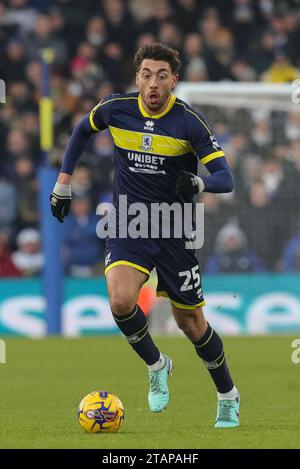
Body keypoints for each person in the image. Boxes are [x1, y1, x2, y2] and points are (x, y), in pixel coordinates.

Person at [50, 42, 240, 428]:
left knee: (192, 324)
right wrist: (63, 183)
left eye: (162, 76)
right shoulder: (115, 108)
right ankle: (157, 365)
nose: (153, 83)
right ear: (137, 77)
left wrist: (198, 183)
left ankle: (228, 396)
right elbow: (81, 131)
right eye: (147, 74)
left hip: (175, 230)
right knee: (120, 302)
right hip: (129, 223)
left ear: (174, 81)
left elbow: (226, 178)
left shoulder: (189, 122)